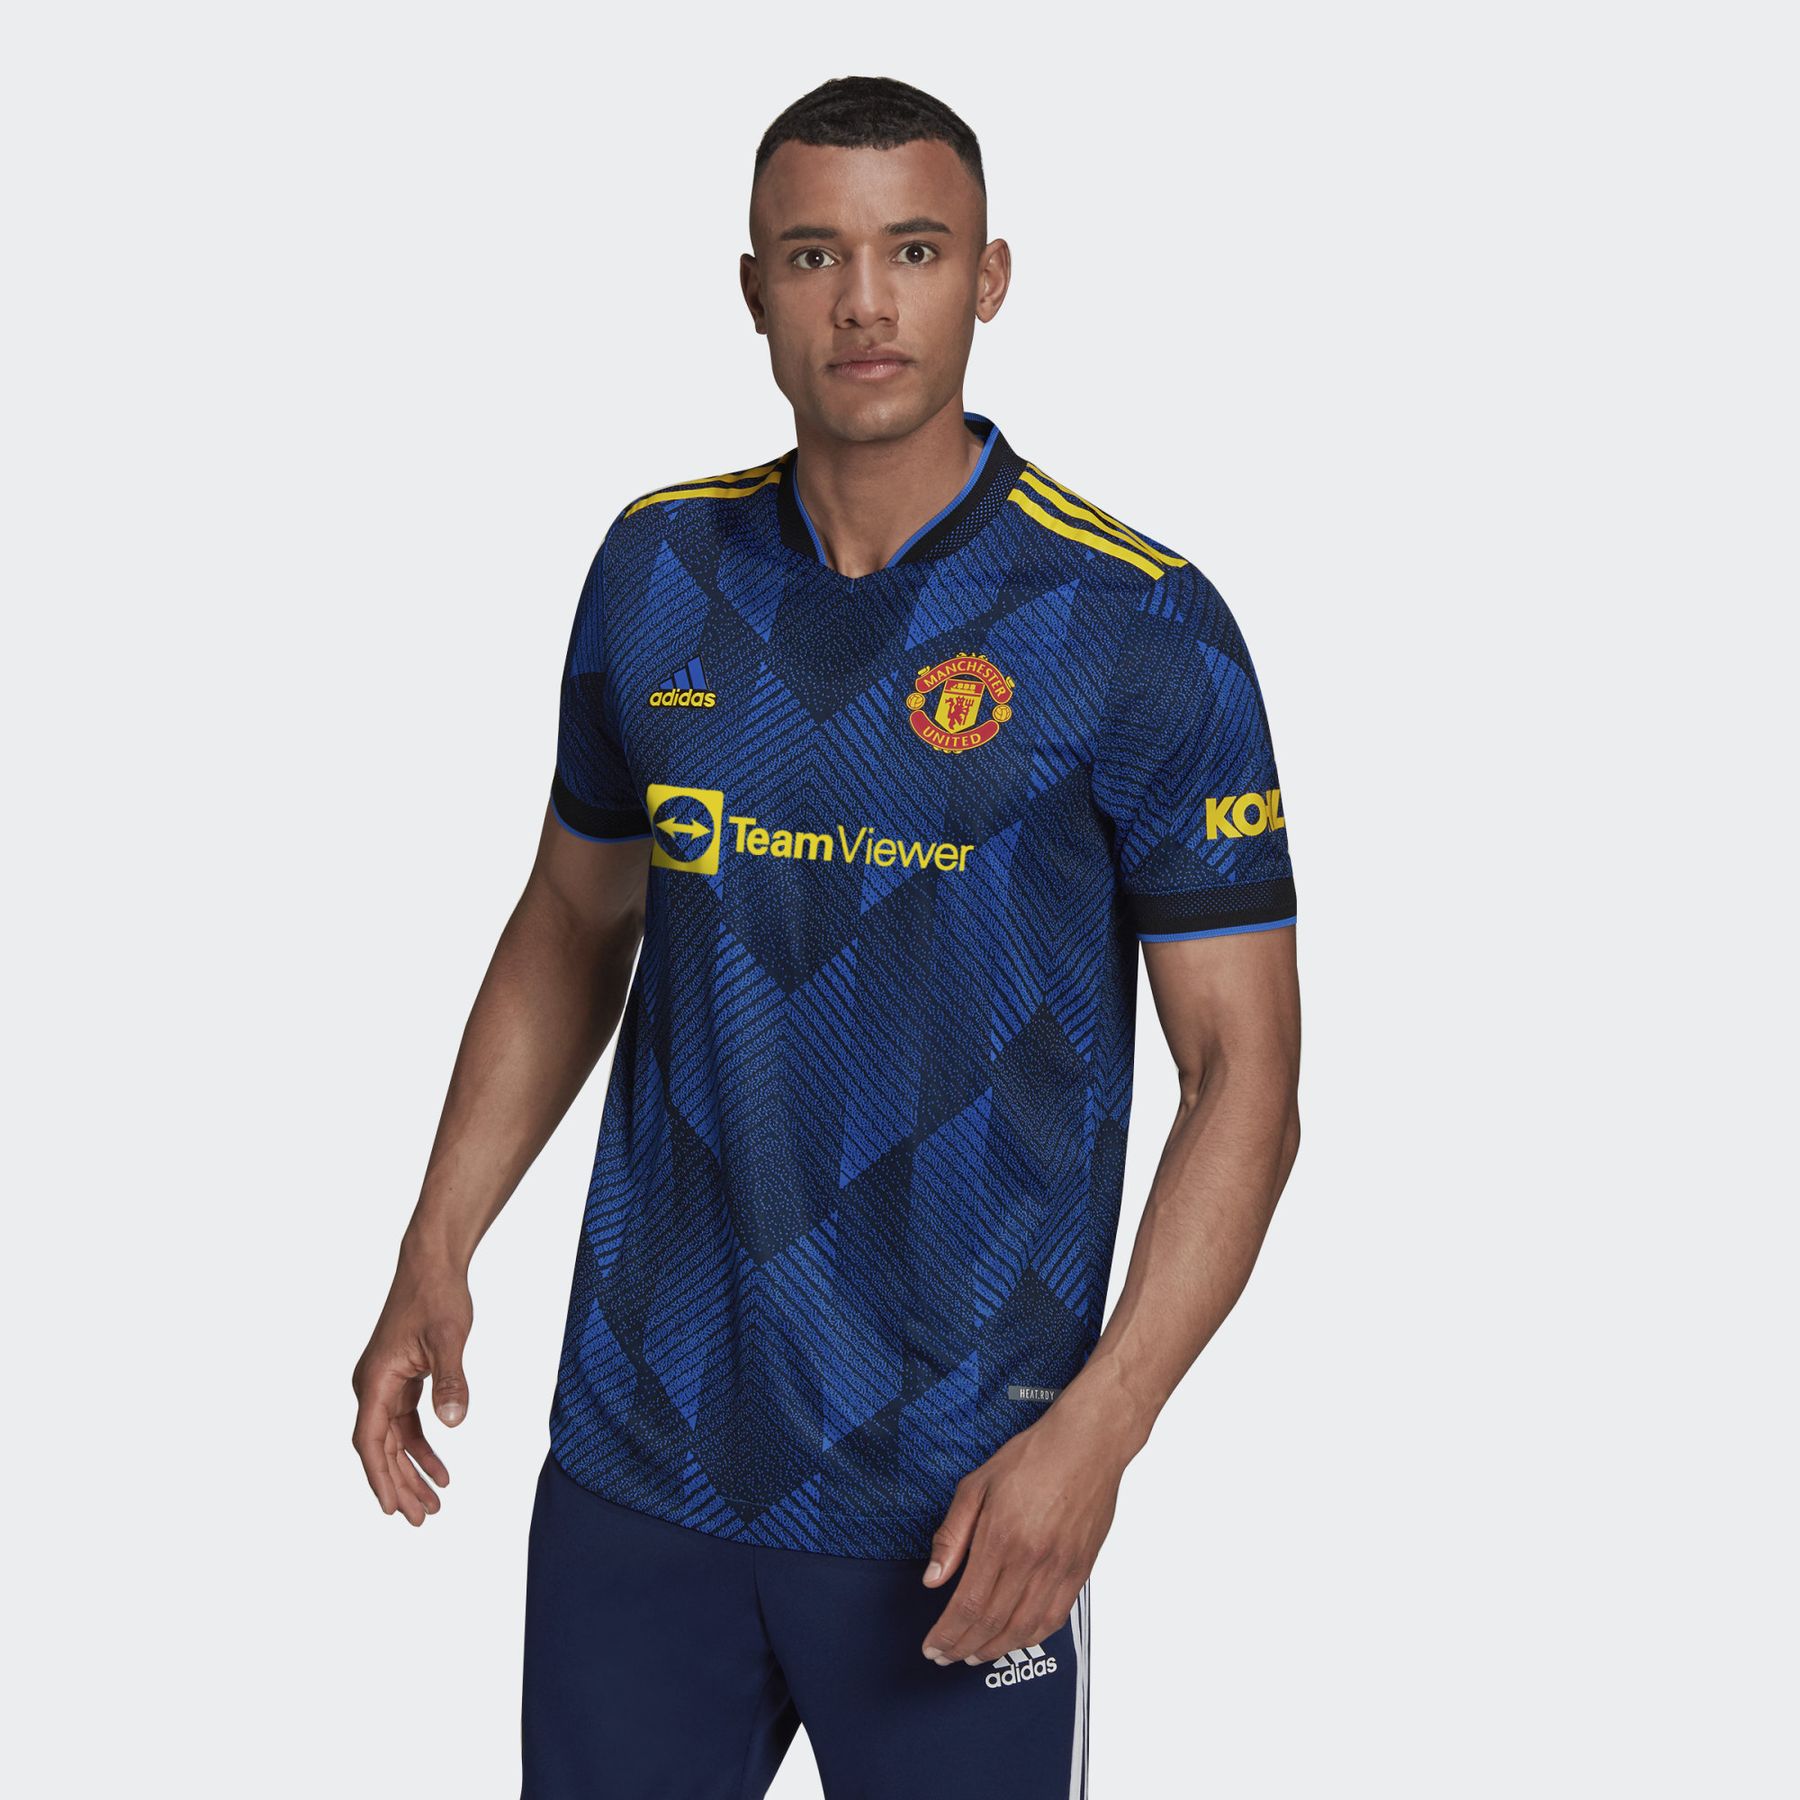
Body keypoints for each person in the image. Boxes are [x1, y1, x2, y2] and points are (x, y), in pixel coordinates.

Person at [352, 73, 1301, 1800]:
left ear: (989, 277)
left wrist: (1097, 1437)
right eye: (815, 256)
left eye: (914, 251)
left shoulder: (1137, 627)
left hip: (965, 1496)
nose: (865, 301)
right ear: (754, 289)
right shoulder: (658, 574)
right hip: (643, 1456)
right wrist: (438, 1237)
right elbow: (572, 917)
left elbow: (1245, 1077)